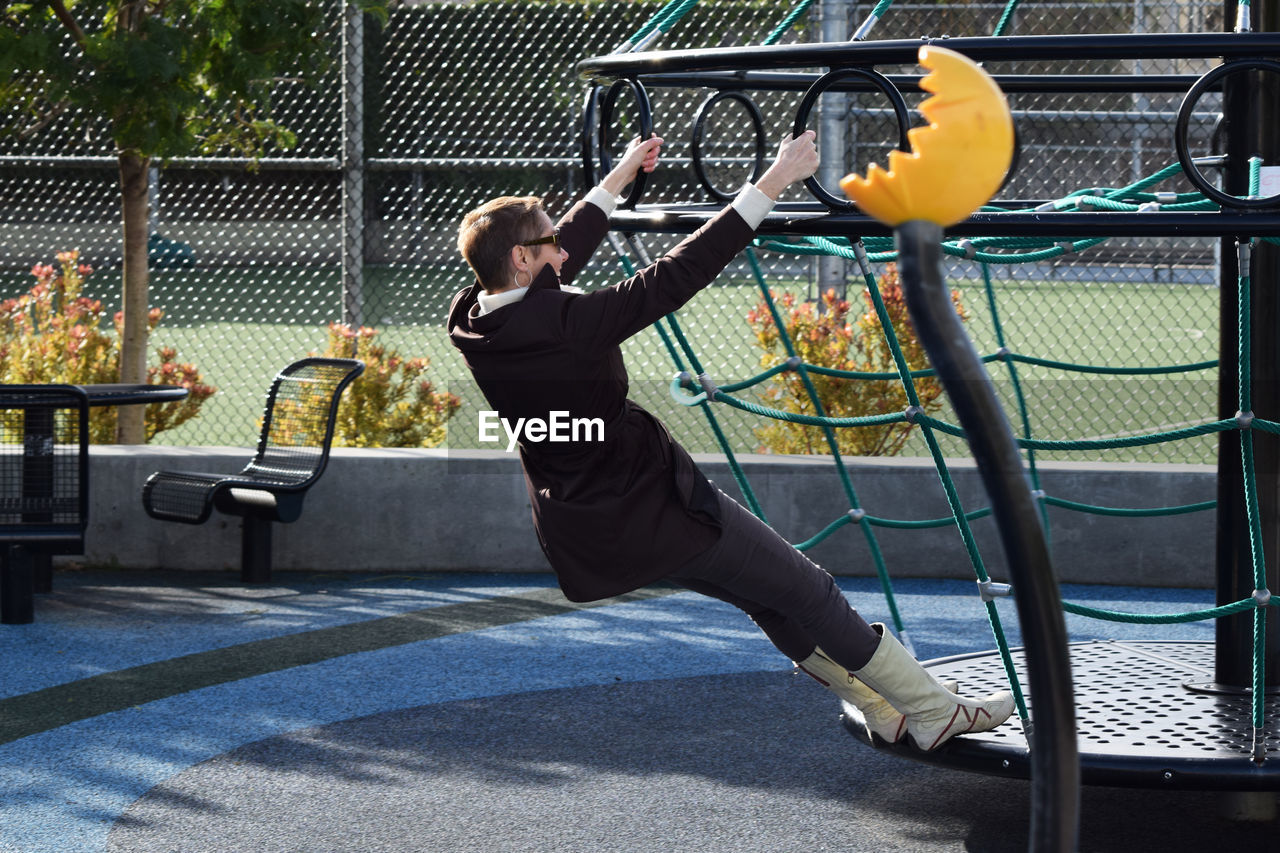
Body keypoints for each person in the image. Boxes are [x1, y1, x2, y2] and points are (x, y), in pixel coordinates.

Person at [448, 131, 1014, 751]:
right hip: (655, 505)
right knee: (808, 590)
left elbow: (563, 253)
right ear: (524, 261)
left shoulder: (476, 316)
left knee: (767, 600)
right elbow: (674, 276)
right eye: (548, 241)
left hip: (591, 518)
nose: (562, 248)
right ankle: (931, 710)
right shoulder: (564, 324)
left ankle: (883, 709)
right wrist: (775, 179)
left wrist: (618, 179)